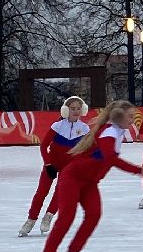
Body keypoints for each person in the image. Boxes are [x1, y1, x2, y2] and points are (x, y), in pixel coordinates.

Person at [35, 100, 143, 252]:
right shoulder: (109, 132)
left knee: (94, 215)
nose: (134, 119)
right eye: (130, 116)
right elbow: (110, 158)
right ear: (119, 116)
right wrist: (138, 170)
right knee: (66, 218)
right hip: (72, 178)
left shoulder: (117, 132)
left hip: (89, 182)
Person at [20, 96, 91, 237]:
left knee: (60, 193)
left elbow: (87, 149)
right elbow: (43, 146)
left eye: (78, 108)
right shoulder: (57, 126)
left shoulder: (84, 129)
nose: (76, 111)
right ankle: (31, 219)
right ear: (66, 110)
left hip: (69, 167)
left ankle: (48, 216)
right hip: (52, 164)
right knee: (41, 192)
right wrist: (48, 164)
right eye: (72, 109)